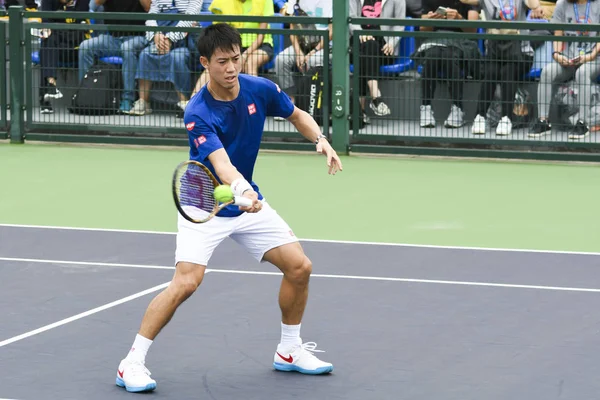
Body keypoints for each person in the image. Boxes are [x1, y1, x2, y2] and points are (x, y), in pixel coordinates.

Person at [115, 23, 342, 393]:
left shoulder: (259, 88)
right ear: (205, 62)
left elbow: (297, 114)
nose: (232, 68)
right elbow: (222, 164)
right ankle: (132, 362)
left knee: (300, 267)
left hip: (245, 200)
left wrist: (320, 139)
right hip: (204, 201)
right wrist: (239, 190)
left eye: (236, 58)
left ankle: (289, 350)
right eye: (222, 62)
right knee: (187, 283)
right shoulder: (197, 111)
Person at [528, 0, 600, 140]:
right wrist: (556, 54)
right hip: (569, 59)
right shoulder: (562, 4)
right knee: (547, 72)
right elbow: (558, 33)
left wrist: (591, 55)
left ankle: (582, 123)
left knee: (583, 72)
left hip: (594, 59)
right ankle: (543, 121)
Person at [471, 0, 545, 135]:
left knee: (508, 71)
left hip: (521, 53)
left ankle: (506, 119)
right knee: (491, 72)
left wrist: (537, 7)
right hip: (495, 52)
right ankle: (480, 116)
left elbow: (534, 4)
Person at [414, 0, 480, 128]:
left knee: (450, 56)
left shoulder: (469, 2)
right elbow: (423, 29)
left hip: (460, 42)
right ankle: (426, 107)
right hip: (435, 40)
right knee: (432, 55)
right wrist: (432, 20)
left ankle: (457, 108)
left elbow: (473, 30)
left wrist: (458, 18)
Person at [130, 0, 202, 116]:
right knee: (145, 55)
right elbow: (151, 17)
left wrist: (170, 38)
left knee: (177, 57)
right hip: (161, 39)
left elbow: (190, 17)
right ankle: (144, 102)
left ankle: (184, 102)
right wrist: (156, 35)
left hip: (187, 42)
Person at [78, 0, 150, 114]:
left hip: (138, 37)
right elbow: (96, 2)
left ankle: (128, 98)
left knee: (127, 48)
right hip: (114, 38)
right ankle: (85, 94)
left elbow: (148, 7)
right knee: (85, 47)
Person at [190, 0, 276, 95]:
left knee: (251, 62)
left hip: (260, 45)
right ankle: (192, 99)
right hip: (233, 46)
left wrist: (244, 55)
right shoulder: (221, 2)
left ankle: (255, 99)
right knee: (211, 67)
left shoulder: (265, 1)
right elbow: (219, 35)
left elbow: (260, 37)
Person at [348, 0, 406, 119]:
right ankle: (376, 96)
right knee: (368, 47)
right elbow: (350, 19)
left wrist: (392, 42)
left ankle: (360, 112)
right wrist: (360, 33)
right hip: (358, 43)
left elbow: (400, 23)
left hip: (384, 48)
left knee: (367, 51)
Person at [273, 0, 333, 107]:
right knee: (281, 60)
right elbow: (293, 30)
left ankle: (309, 103)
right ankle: (290, 102)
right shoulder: (296, 2)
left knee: (312, 61)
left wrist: (313, 52)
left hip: (325, 46)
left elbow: (331, 32)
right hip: (303, 44)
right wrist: (299, 53)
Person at [38, 0, 89, 114]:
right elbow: (46, 21)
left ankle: (46, 93)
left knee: (48, 48)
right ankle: (50, 84)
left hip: (76, 48)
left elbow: (79, 20)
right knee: (47, 43)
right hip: (57, 46)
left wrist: (68, 6)